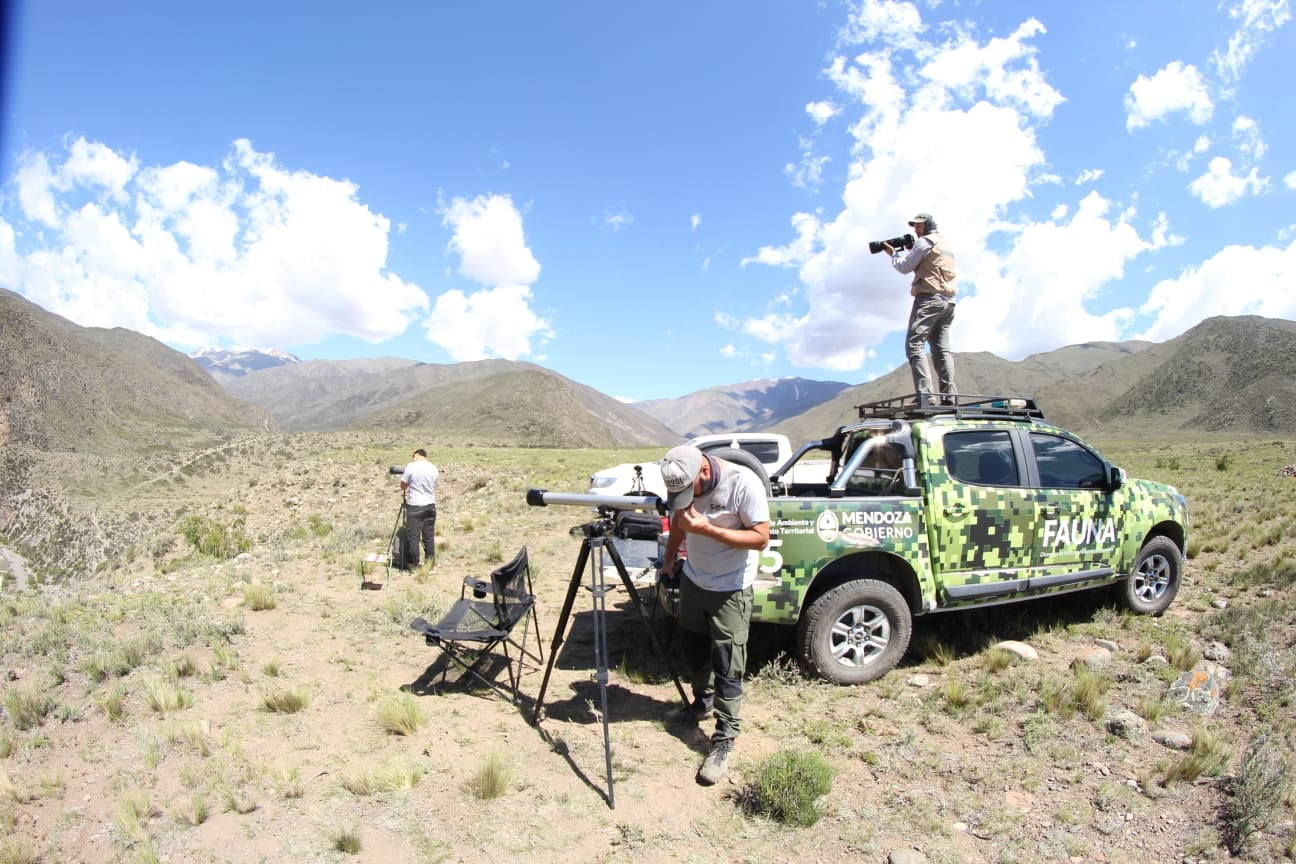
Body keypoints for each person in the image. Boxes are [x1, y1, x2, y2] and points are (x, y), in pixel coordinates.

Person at [657, 444, 771, 786]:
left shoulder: (743, 484)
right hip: (694, 579)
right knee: (692, 648)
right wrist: (669, 559)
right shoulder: (684, 482)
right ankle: (702, 703)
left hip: (731, 588)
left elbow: (761, 537)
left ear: (702, 472)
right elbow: (679, 524)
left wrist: (708, 530)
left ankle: (724, 738)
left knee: (727, 664)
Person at [885, 212, 957, 405]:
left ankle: (926, 396)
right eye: (915, 226)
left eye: (919, 226)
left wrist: (893, 253)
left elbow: (904, 267)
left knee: (914, 344)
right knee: (942, 350)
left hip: (929, 298)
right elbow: (933, 264)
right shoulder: (944, 243)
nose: (916, 230)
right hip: (948, 301)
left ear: (928, 225)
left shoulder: (924, 242)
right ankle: (950, 397)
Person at [400, 449, 439, 570]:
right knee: (428, 537)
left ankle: (414, 565)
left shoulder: (411, 466)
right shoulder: (433, 468)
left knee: (413, 537)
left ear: (417, 455)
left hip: (416, 506)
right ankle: (429, 565)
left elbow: (403, 485)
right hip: (430, 506)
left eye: (413, 456)